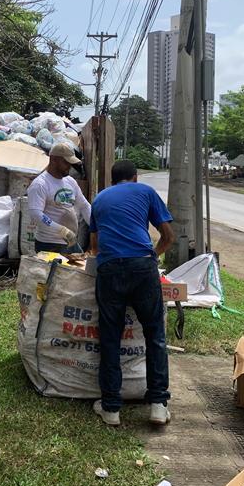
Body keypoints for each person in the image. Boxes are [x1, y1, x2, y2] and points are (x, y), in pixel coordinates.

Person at [88, 159, 175, 426]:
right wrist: (153, 257)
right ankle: (158, 405)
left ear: (113, 180)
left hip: (110, 268)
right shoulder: (146, 192)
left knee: (111, 337)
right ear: (135, 178)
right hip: (142, 267)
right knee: (155, 336)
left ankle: (111, 408)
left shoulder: (99, 199)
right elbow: (168, 236)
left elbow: (94, 246)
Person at [27, 143, 91, 254]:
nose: (69, 166)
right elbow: (36, 214)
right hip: (49, 244)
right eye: (66, 162)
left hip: (70, 242)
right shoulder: (40, 184)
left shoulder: (70, 182)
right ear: (53, 160)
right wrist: (62, 231)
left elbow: (84, 206)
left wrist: (96, 226)